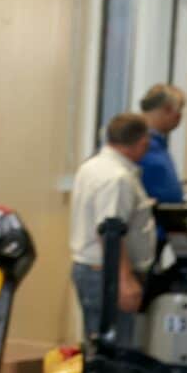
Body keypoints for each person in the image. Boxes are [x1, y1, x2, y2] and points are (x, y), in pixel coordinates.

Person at [70, 113, 157, 345]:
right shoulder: (117, 178)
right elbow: (110, 233)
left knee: (98, 345)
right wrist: (124, 282)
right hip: (107, 274)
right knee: (115, 350)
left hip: (94, 270)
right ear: (141, 143)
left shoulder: (92, 166)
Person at [137, 83, 187, 206]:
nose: (180, 117)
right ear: (167, 109)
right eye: (179, 110)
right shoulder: (138, 143)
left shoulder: (158, 144)